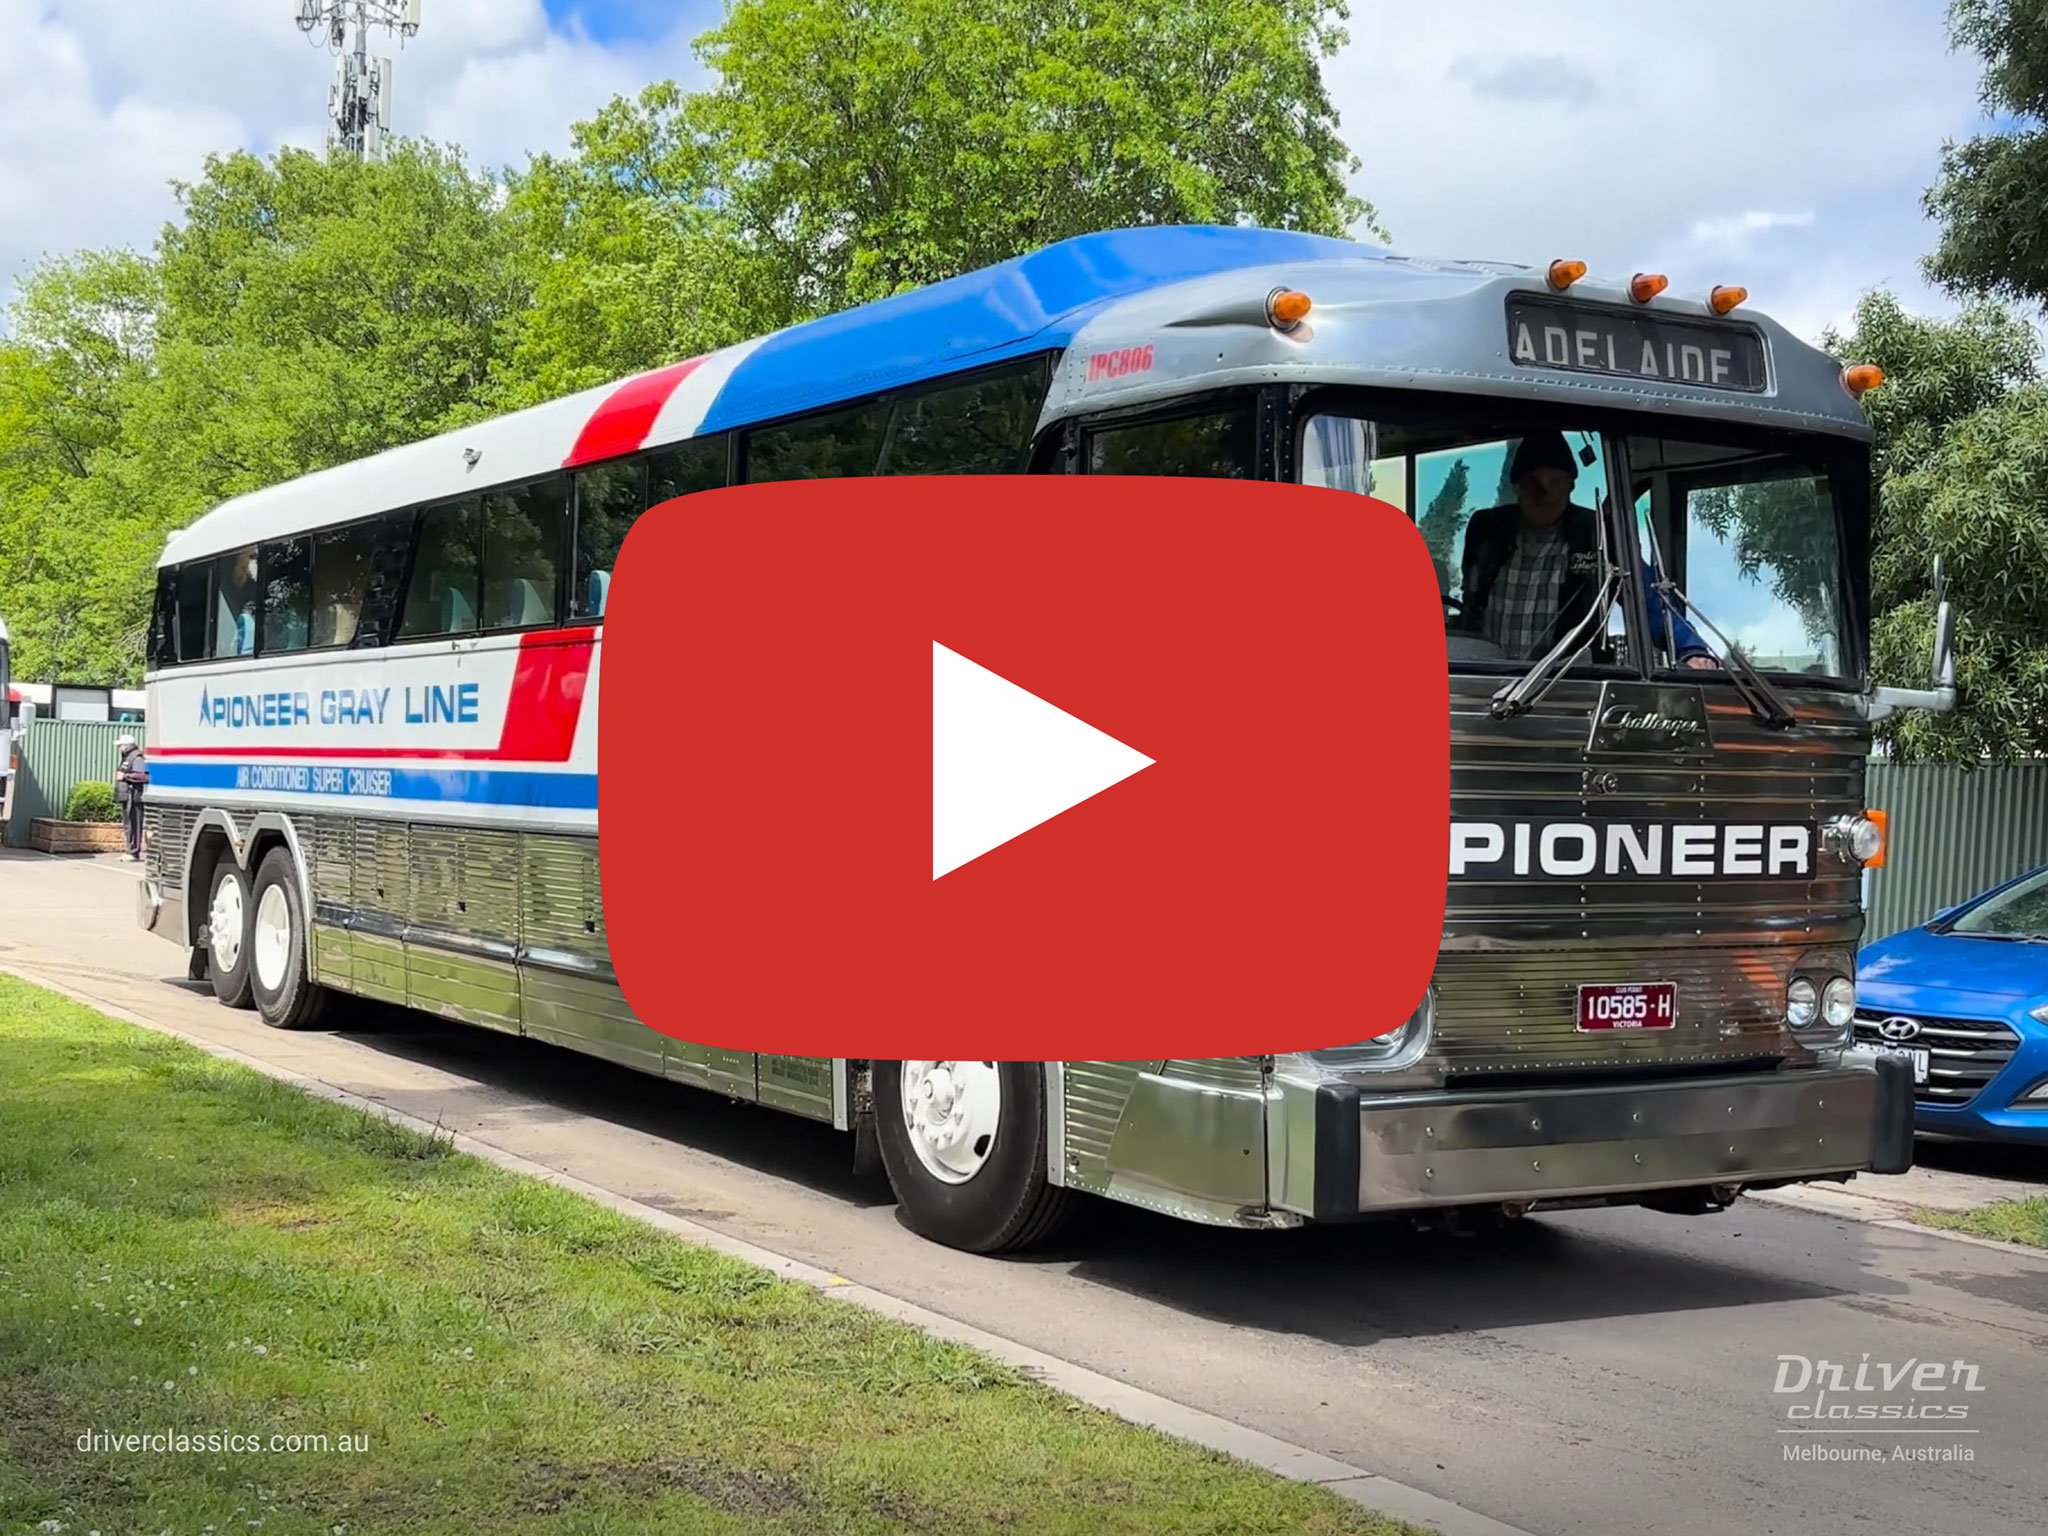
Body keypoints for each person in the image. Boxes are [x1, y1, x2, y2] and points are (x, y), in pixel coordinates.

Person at [1457, 431, 1718, 668]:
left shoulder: (1596, 534)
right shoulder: (1487, 532)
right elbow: (1469, 599)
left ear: (1571, 485)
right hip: (1482, 679)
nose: (1544, 494)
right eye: (1532, 482)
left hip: (1565, 686)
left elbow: (1644, 594)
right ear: (1517, 486)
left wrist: (1690, 648)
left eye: (1555, 481)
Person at [114, 734, 148, 861]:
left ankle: (134, 852)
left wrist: (125, 776)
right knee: (128, 824)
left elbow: (143, 776)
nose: (119, 748)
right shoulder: (128, 757)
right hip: (127, 797)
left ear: (127, 746)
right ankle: (130, 851)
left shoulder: (137, 758)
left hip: (134, 797)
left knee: (134, 824)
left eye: (120, 745)